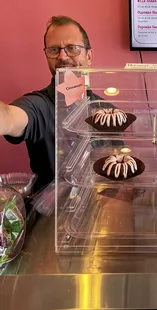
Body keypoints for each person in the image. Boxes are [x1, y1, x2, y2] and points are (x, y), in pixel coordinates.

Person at [0, 16, 113, 193]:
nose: (62, 56)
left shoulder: (107, 110)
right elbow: (9, 117)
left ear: (89, 56)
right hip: (52, 214)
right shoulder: (38, 105)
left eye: (72, 48)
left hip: (102, 209)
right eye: (54, 50)